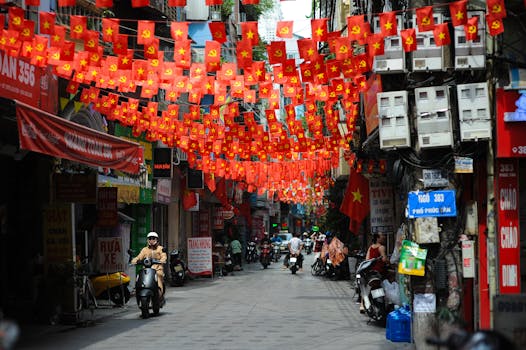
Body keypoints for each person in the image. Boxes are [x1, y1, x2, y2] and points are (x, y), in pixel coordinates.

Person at [131, 232, 167, 296]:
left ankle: (160, 293)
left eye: (153, 238)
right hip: (146, 269)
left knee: (158, 278)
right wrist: (135, 260)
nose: (151, 240)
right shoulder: (144, 249)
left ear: (157, 239)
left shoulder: (160, 248)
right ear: (147, 240)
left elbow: (163, 255)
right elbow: (139, 256)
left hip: (157, 269)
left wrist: (162, 260)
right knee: (139, 277)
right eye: (150, 238)